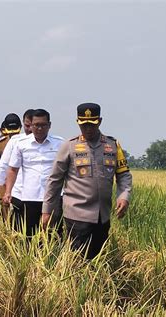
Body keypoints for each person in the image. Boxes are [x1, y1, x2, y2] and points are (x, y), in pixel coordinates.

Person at [42, 103, 132, 259]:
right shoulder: (69, 146)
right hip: (77, 214)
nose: (88, 128)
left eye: (92, 124)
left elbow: (123, 174)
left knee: (98, 259)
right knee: (77, 260)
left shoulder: (112, 145)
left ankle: (96, 283)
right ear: (78, 122)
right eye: (84, 125)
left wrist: (124, 196)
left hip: (102, 216)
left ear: (100, 121)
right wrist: (47, 210)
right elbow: (55, 180)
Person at [3, 109, 64, 237]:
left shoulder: (60, 144)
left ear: (49, 125)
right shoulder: (21, 144)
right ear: (31, 126)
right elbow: (13, 169)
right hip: (29, 197)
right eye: (36, 125)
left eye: (43, 125)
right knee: (28, 235)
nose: (39, 128)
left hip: (53, 197)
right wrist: (8, 192)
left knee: (53, 234)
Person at [0, 109, 35, 215]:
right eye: (27, 126)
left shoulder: (51, 143)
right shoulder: (14, 142)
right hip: (12, 191)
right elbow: (0, 166)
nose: (30, 129)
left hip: (35, 194)